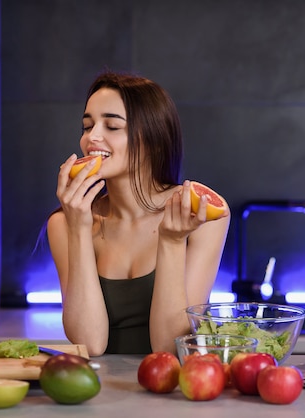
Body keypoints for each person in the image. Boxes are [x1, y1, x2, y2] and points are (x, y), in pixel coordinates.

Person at [47, 71, 230, 356]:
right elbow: (90, 343)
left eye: (112, 126)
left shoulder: (200, 217)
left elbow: (170, 346)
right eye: (87, 126)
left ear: (153, 140)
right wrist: (78, 228)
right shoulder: (64, 222)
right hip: (98, 391)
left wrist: (170, 241)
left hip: (175, 391)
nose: (91, 137)